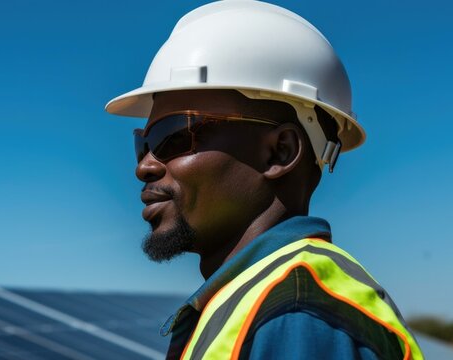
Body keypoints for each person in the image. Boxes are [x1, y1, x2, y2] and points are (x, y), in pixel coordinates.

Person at [105, 1, 424, 359]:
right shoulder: (248, 303)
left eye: (173, 136)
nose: (144, 166)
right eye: (143, 143)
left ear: (280, 152)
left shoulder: (297, 315)